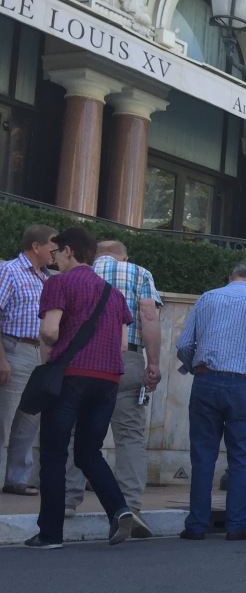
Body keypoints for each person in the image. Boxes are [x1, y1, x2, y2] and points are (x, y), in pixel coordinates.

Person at [24, 228, 141, 549]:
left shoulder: (58, 283)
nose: (53, 259)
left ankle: (50, 534)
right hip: (108, 381)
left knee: (53, 453)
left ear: (69, 252)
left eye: (56, 253)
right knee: (89, 452)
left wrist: (52, 344)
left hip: (71, 377)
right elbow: (121, 345)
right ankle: (119, 510)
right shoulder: (113, 294)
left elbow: (49, 332)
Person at [175, 261, 246, 542]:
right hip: (244, 385)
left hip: (206, 382)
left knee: (202, 455)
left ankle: (196, 525)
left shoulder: (208, 298)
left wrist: (196, 367)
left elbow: (182, 345)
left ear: (231, 278)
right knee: (242, 458)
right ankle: (238, 524)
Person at [64, 240, 163, 532]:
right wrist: (153, 363)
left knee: (74, 432)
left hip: (81, 359)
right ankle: (129, 503)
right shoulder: (139, 273)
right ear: (124, 255)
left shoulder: (75, 273)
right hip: (125, 358)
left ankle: (68, 499)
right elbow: (148, 316)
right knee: (129, 435)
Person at [0, 224, 57, 496]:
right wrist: (2, 359)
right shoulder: (9, 271)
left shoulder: (47, 278)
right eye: (51, 247)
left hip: (38, 353)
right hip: (13, 348)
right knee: (4, 417)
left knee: (29, 419)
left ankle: (16, 479)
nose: (55, 253)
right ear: (36, 246)